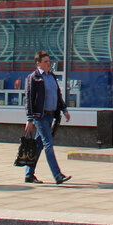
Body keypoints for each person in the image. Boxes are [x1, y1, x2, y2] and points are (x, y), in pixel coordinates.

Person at [23, 50, 71, 184]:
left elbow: (58, 95)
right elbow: (29, 99)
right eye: (45, 62)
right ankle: (57, 175)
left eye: (49, 61)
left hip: (51, 115)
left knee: (38, 145)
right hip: (40, 116)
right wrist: (30, 119)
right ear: (38, 64)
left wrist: (64, 110)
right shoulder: (33, 78)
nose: (48, 64)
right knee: (48, 143)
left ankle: (29, 174)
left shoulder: (51, 76)